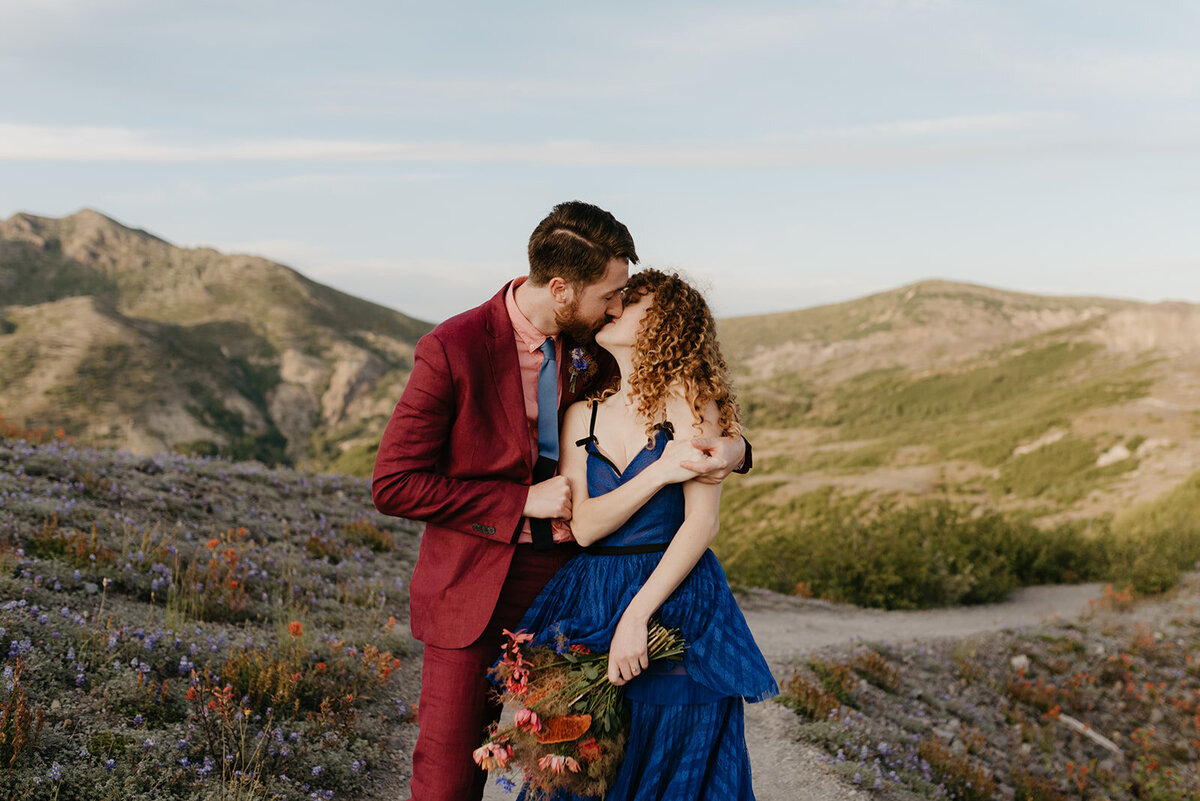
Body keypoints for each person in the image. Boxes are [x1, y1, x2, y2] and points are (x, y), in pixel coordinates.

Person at [372, 202, 749, 801]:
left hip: (577, 583)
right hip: (475, 582)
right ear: (560, 288)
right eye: (611, 293)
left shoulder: (593, 341)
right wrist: (522, 500)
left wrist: (734, 449)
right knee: (447, 775)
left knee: (580, 761)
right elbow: (393, 483)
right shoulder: (453, 347)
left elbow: (674, 387)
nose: (618, 306)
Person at [511, 268, 778, 801]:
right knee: (581, 759)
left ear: (665, 323)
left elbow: (702, 523)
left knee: (673, 753)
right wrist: (659, 472)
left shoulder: (692, 401)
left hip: (674, 591)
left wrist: (637, 616)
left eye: (630, 302)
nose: (613, 308)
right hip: (592, 591)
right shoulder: (581, 413)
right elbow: (584, 528)